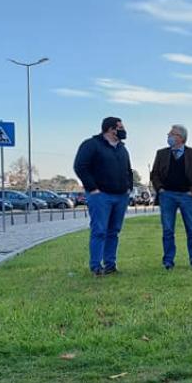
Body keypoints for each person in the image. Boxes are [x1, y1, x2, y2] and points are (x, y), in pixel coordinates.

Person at [73, 117, 133, 276]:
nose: (123, 130)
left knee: (114, 231)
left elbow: (128, 170)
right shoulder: (91, 145)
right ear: (110, 129)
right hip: (101, 196)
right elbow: (80, 166)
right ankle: (96, 266)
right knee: (99, 230)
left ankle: (110, 265)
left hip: (121, 196)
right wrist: (92, 188)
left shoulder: (122, 148)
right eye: (120, 127)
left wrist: (129, 188)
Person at [150, 124, 192, 270]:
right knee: (168, 230)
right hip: (167, 195)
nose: (168, 135)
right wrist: (160, 189)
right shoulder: (161, 153)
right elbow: (154, 173)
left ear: (180, 137)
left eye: (172, 134)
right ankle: (168, 261)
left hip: (187, 196)